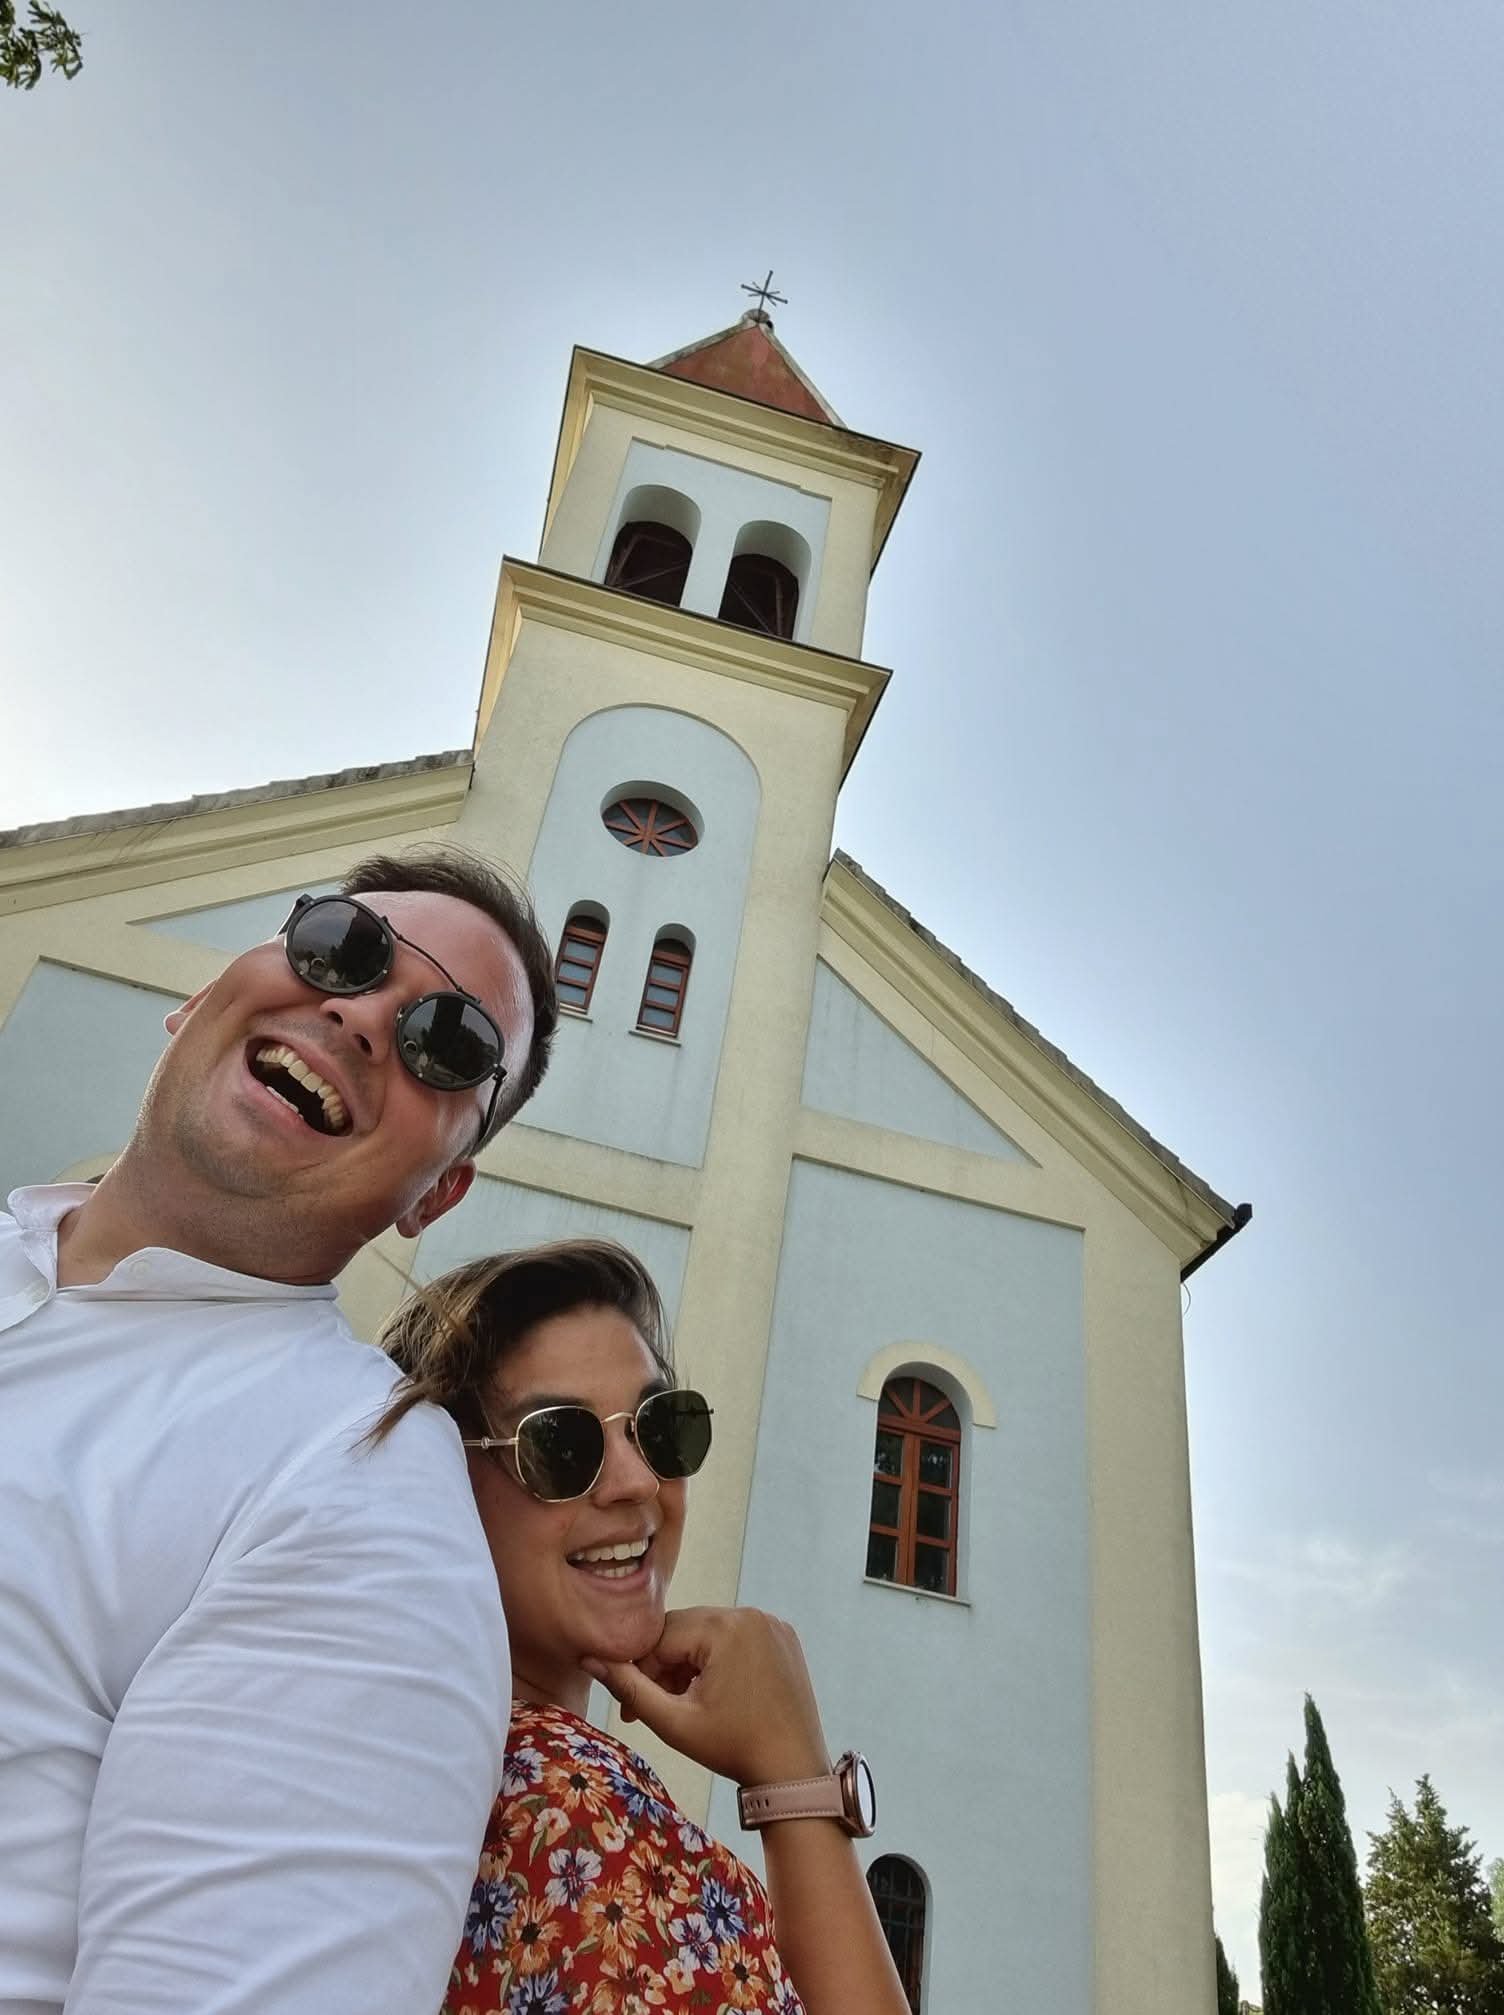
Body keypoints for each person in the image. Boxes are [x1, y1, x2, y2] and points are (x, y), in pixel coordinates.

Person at [0, 846, 559, 2015]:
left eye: (448, 1042)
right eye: (340, 948)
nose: (359, 1014)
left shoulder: (356, 1486)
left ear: (436, 1194)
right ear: (202, 995)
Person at [376, 1240, 911, 2015]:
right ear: (438, 1478)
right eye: (560, 1443)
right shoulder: (569, 1811)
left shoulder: (406, 1762)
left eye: (659, 1426)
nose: (636, 1481)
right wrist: (794, 1776)